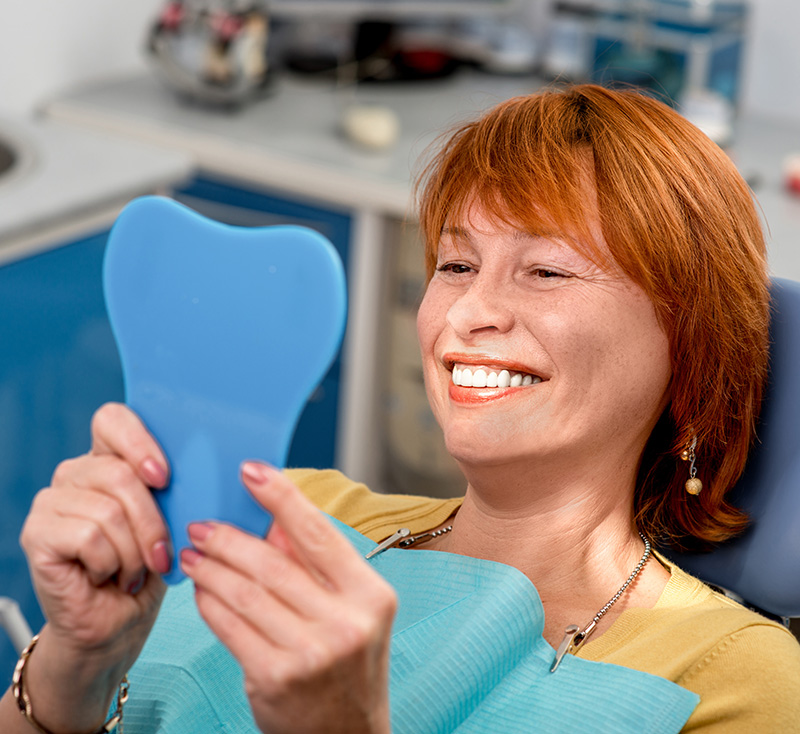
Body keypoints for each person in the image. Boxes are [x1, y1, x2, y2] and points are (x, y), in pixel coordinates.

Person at [2, 83, 800, 733]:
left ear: (688, 349)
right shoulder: (290, 512)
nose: (466, 314)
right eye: (456, 263)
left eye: (547, 272)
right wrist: (76, 669)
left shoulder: (733, 678)